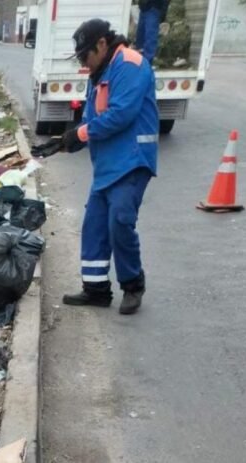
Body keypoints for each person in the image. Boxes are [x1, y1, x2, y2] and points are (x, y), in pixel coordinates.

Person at [51, 19, 159, 314]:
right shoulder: (100, 72)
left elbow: (121, 114)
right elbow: (91, 118)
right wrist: (67, 141)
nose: (83, 62)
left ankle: (133, 284)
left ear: (101, 44)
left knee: (119, 221)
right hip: (108, 164)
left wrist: (80, 134)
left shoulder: (130, 64)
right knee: (95, 225)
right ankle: (96, 289)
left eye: (85, 55)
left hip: (132, 159)